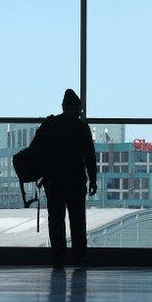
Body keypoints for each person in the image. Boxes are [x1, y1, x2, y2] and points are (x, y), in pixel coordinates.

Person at [30, 89, 97, 269]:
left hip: (53, 181)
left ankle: (58, 258)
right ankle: (79, 258)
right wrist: (93, 179)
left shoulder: (50, 124)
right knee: (77, 221)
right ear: (77, 109)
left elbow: (35, 150)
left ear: (63, 106)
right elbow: (90, 155)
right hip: (75, 181)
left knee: (56, 220)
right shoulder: (82, 127)